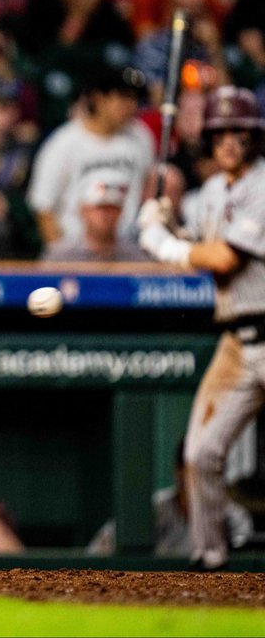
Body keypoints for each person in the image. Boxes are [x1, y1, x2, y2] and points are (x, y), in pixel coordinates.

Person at [136, 86, 265, 570]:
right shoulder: (213, 191)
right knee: (202, 452)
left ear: (255, 138)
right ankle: (210, 558)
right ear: (209, 139)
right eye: (222, 133)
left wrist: (163, 244)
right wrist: (169, 226)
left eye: (241, 132)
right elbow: (205, 246)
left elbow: (225, 259)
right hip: (236, 341)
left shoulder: (263, 186)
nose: (230, 141)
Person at [26, 66, 154, 247]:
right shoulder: (64, 142)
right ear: (98, 98)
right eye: (122, 97)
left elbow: (148, 189)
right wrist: (62, 258)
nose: (130, 105)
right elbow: (43, 207)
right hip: (77, 249)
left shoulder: (140, 137)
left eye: (134, 98)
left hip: (125, 249)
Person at [87, 440, 253, 558]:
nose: (205, 479)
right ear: (179, 472)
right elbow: (98, 551)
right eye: (198, 471)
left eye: (213, 471)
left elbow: (245, 559)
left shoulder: (233, 516)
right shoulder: (154, 509)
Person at [41, 169, 149, 262]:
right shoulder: (60, 256)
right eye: (99, 208)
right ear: (83, 210)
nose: (105, 214)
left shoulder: (136, 257)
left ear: (121, 211)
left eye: (111, 208)